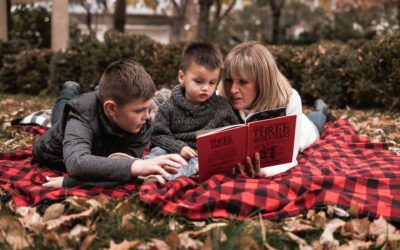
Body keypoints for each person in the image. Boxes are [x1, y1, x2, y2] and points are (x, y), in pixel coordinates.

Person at [33, 59, 187, 188]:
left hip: (102, 132)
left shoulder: (142, 124)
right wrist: (138, 166)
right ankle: (69, 89)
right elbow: (77, 163)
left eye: (148, 109)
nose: (147, 116)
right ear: (111, 108)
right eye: (139, 110)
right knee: (61, 118)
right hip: (55, 153)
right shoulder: (81, 113)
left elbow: (120, 172)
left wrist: (71, 182)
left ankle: (100, 91)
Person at [219, 41, 335, 178]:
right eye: (229, 80)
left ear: (262, 82)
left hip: (305, 129)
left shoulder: (290, 99)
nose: (232, 90)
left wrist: (263, 172)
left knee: (316, 120)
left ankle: (322, 110)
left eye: (243, 82)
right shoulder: (219, 97)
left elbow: (290, 160)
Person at [145, 41, 240, 180]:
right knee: (158, 152)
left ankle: (160, 178)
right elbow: (157, 136)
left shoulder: (222, 107)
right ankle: (141, 167)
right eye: (199, 81)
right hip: (172, 148)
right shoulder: (169, 107)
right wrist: (178, 147)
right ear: (182, 77)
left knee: (192, 164)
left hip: (200, 154)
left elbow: (235, 134)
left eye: (212, 82)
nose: (206, 88)